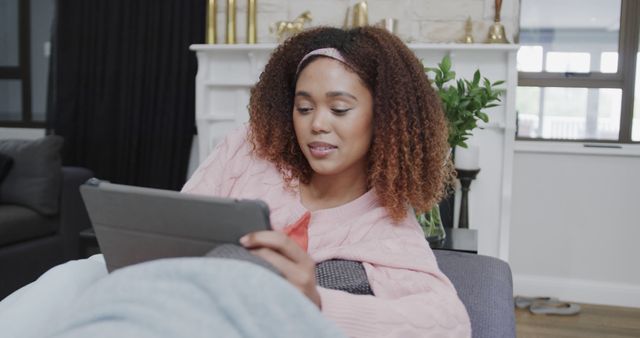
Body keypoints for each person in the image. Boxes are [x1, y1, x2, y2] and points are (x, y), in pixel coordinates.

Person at [181, 26, 471, 337]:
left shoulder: (387, 226)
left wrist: (317, 303)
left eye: (339, 109)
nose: (317, 124)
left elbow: (452, 324)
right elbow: (174, 225)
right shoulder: (247, 149)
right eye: (304, 108)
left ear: (383, 119)